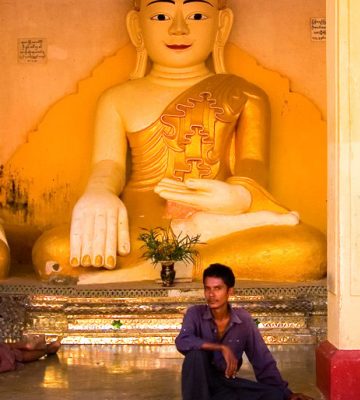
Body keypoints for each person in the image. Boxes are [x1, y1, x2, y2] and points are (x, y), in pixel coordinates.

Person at [32, 0, 326, 284]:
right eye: (161, 16)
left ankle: (175, 266)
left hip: (218, 225)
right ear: (137, 27)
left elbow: (253, 162)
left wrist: (240, 196)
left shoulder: (245, 95)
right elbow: (108, 163)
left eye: (197, 16)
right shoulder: (117, 98)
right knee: (54, 249)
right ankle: (190, 265)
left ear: (222, 25)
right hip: (139, 228)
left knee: (306, 249)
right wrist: (99, 192)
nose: (179, 29)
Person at [175, 263, 314, 400]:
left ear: (230, 291)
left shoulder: (243, 319)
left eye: (217, 288)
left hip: (226, 385)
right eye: (207, 289)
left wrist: (287, 394)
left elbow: (262, 360)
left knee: (274, 395)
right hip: (199, 385)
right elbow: (183, 341)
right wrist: (221, 347)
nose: (211, 294)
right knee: (195, 355)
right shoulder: (195, 313)